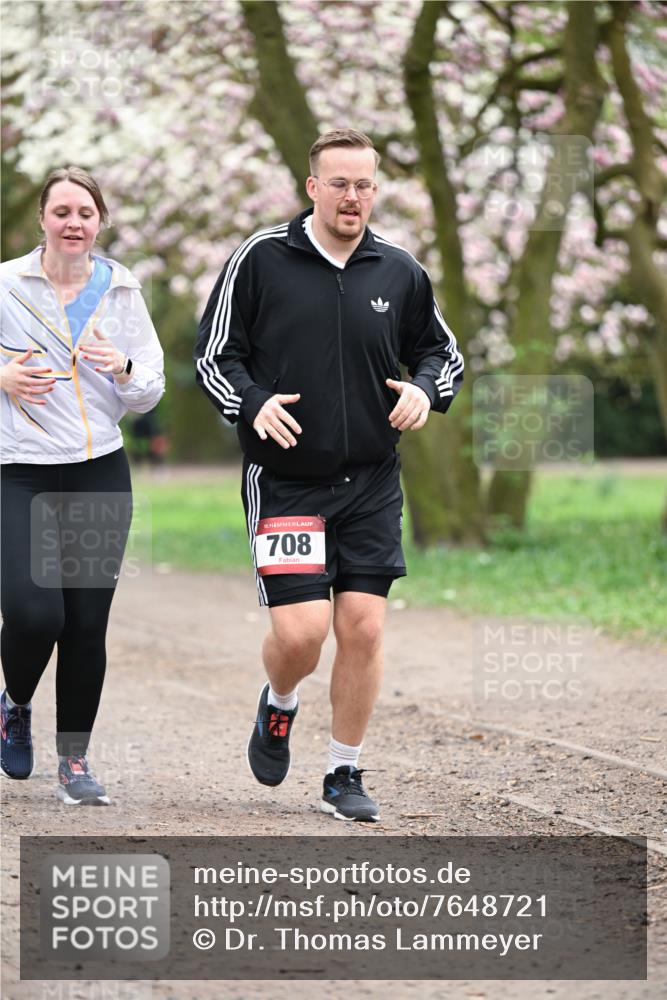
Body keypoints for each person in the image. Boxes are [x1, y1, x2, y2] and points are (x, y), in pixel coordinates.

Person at [195, 129, 463, 822]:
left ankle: (343, 771)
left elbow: (441, 354)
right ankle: (279, 703)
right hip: (285, 480)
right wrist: (251, 404)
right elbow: (213, 358)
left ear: (376, 189)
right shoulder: (261, 259)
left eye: (365, 184)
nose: (353, 197)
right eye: (339, 183)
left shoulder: (398, 270)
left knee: (364, 628)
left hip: (371, 479)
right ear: (312, 187)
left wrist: (423, 391)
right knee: (301, 635)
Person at [0, 166, 165, 804]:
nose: (74, 223)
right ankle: (14, 703)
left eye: (86, 213)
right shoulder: (9, 283)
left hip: (99, 471)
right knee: (35, 612)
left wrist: (120, 365)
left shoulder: (120, 289)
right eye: (62, 211)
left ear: (100, 222)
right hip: (20, 471)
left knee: (86, 623)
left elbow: (149, 389)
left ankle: (74, 764)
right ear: (42, 218)